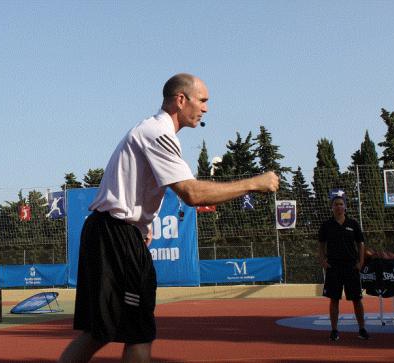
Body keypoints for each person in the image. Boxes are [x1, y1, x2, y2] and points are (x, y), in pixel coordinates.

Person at [58, 73, 280, 363]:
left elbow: (137, 184)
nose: (206, 108)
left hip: (117, 233)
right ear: (180, 99)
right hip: (114, 235)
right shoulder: (158, 133)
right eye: (202, 100)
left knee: (105, 331)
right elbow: (191, 193)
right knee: (134, 332)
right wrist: (254, 183)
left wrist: (143, 225)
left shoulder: (154, 131)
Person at [318, 195, 369, 341]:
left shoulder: (353, 224)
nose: (339, 207)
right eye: (336, 204)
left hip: (351, 266)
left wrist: (360, 262)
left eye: (341, 204)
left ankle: (362, 329)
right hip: (333, 267)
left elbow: (361, 244)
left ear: (345, 207)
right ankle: (334, 330)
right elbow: (321, 245)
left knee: (357, 299)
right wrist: (322, 261)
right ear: (332, 207)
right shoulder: (326, 225)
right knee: (334, 299)